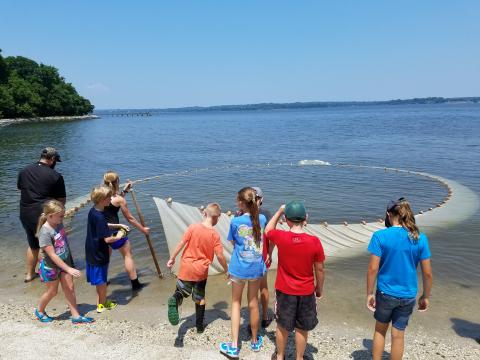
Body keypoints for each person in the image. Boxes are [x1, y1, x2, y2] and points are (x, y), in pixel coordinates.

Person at [366, 198, 433, 360]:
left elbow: (373, 269)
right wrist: (426, 296)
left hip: (385, 292)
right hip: (408, 295)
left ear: (389, 214)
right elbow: (428, 274)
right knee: (398, 335)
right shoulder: (420, 238)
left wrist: (369, 293)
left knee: (380, 330)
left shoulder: (380, 236)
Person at [265, 201, 325, 360]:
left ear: (286, 219)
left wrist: (278, 211)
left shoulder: (281, 237)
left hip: (285, 291)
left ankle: (280, 355)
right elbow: (319, 269)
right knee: (302, 327)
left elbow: (268, 230)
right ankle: (299, 357)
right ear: (306, 218)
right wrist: (319, 288)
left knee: (282, 325)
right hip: (306, 291)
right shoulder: (314, 241)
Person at [219, 187, 267, 359]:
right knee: (253, 302)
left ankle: (233, 346)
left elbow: (233, 241)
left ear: (241, 202)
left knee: (236, 303)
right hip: (255, 267)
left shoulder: (235, 221)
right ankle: (254, 341)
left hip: (238, 267)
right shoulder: (262, 218)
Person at [166, 203, 228, 333]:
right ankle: (199, 327)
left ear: (204, 214)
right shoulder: (214, 234)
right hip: (201, 271)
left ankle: (175, 299)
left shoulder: (193, 227)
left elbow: (181, 243)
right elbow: (220, 255)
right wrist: (226, 270)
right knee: (200, 298)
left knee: (181, 291)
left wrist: (172, 258)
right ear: (218, 217)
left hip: (186, 267)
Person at [34, 200, 94, 324]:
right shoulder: (45, 233)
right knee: (53, 291)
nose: (63, 217)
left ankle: (76, 316)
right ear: (50, 216)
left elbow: (64, 244)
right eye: (61, 215)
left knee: (70, 288)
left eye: (63, 214)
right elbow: (52, 255)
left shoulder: (58, 223)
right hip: (51, 267)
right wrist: (68, 269)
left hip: (65, 262)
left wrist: (69, 263)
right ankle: (39, 310)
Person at [17, 147, 66, 282]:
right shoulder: (55, 176)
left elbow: (20, 189)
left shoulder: (24, 170)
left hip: (25, 212)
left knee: (33, 245)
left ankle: (30, 274)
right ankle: (50, 275)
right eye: (56, 161)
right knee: (47, 246)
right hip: (44, 215)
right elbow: (61, 201)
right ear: (52, 159)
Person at [103, 171, 150, 291]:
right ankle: (135, 284)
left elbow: (113, 199)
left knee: (105, 258)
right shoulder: (119, 200)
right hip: (116, 231)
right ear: (116, 182)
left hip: (101, 230)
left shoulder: (99, 194)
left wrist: (125, 190)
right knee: (127, 256)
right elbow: (130, 218)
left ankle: (103, 282)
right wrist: (143, 229)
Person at [86, 185, 128, 313]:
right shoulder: (99, 216)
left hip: (91, 249)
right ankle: (102, 304)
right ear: (101, 199)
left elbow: (104, 225)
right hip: (99, 252)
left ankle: (100, 302)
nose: (111, 199)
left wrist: (119, 224)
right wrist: (120, 235)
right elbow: (107, 240)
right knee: (102, 280)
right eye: (109, 197)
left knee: (99, 279)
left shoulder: (94, 211)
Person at [252, 186, 273, 330]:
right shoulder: (266, 214)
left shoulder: (239, 213)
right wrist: (270, 253)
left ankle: (252, 321)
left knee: (251, 290)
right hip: (262, 256)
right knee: (263, 286)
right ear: (261, 199)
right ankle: (264, 317)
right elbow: (272, 237)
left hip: (246, 258)